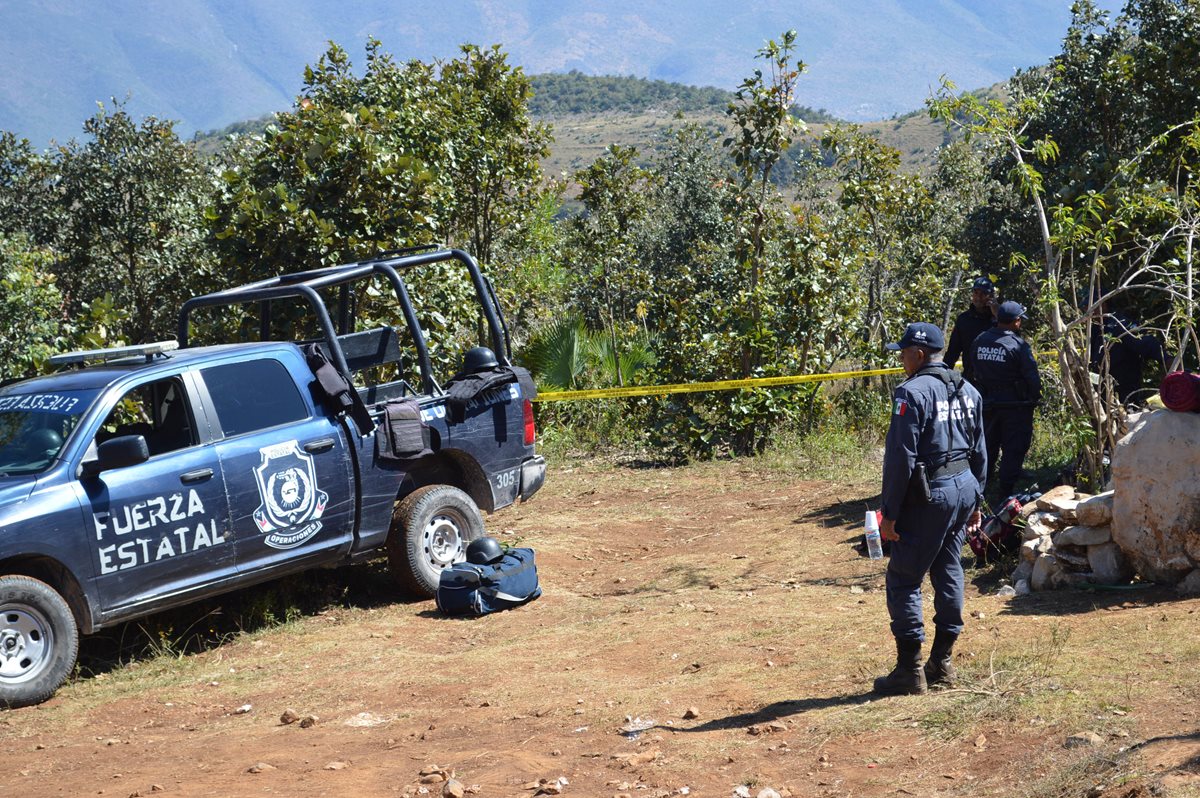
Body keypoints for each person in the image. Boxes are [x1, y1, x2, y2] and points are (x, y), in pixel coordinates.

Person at [875, 322, 986, 696]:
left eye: (904, 353)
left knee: (904, 578)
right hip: (964, 488)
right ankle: (943, 661)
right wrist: (976, 502)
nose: (901, 360)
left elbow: (900, 459)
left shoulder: (911, 392)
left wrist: (888, 513)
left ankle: (910, 671)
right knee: (948, 567)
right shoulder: (968, 389)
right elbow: (980, 450)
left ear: (919, 355)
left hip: (930, 495)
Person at [964, 300, 1041, 502]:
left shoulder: (980, 340)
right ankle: (1005, 493)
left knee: (986, 446)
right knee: (1013, 449)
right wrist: (1034, 397)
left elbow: (971, 371)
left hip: (987, 405)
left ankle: (981, 488)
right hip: (1015, 406)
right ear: (1016, 322)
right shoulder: (1018, 345)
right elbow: (1032, 377)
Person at [944, 276, 998, 384]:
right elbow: (953, 352)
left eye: (983, 294)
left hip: (996, 382)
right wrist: (944, 376)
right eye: (976, 293)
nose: (978, 297)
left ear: (991, 296)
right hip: (971, 380)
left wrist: (998, 315)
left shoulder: (998, 319)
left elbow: (1013, 340)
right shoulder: (964, 319)